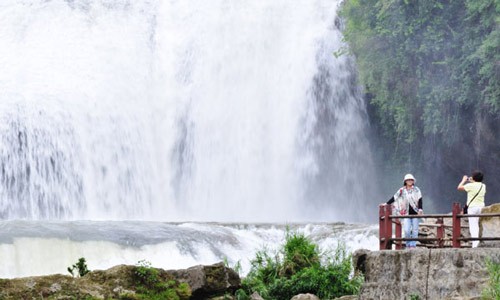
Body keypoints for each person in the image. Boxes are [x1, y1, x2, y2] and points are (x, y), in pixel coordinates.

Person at [386, 174, 423, 249]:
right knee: (407, 230)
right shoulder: (401, 190)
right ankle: (408, 244)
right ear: (405, 181)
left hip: (415, 212)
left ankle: (413, 245)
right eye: (408, 180)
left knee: (415, 230)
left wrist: (420, 209)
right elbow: (395, 197)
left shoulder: (416, 189)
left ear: (413, 181)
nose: (410, 181)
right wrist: (387, 203)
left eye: (411, 180)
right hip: (406, 213)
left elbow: (420, 199)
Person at [457, 170, 486, 248]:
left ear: (473, 178)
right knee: (478, 224)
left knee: (473, 225)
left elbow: (459, 187)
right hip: (481, 208)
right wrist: (472, 180)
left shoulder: (470, 185)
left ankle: (475, 244)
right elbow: (476, 183)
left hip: (472, 207)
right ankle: (479, 242)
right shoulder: (483, 186)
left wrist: (463, 180)